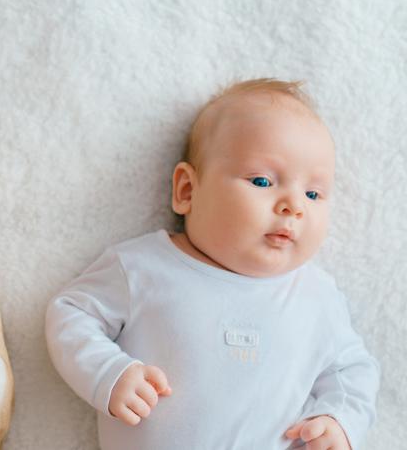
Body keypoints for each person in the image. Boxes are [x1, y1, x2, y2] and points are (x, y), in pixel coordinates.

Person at [45, 79, 380, 450]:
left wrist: (338, 420)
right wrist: (108, 372)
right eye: (263, 180)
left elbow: (353, 371)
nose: (294, 206)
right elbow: (71, 314)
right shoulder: (144, 267)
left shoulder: (317, 296)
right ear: (187, 190)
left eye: (313, 193)